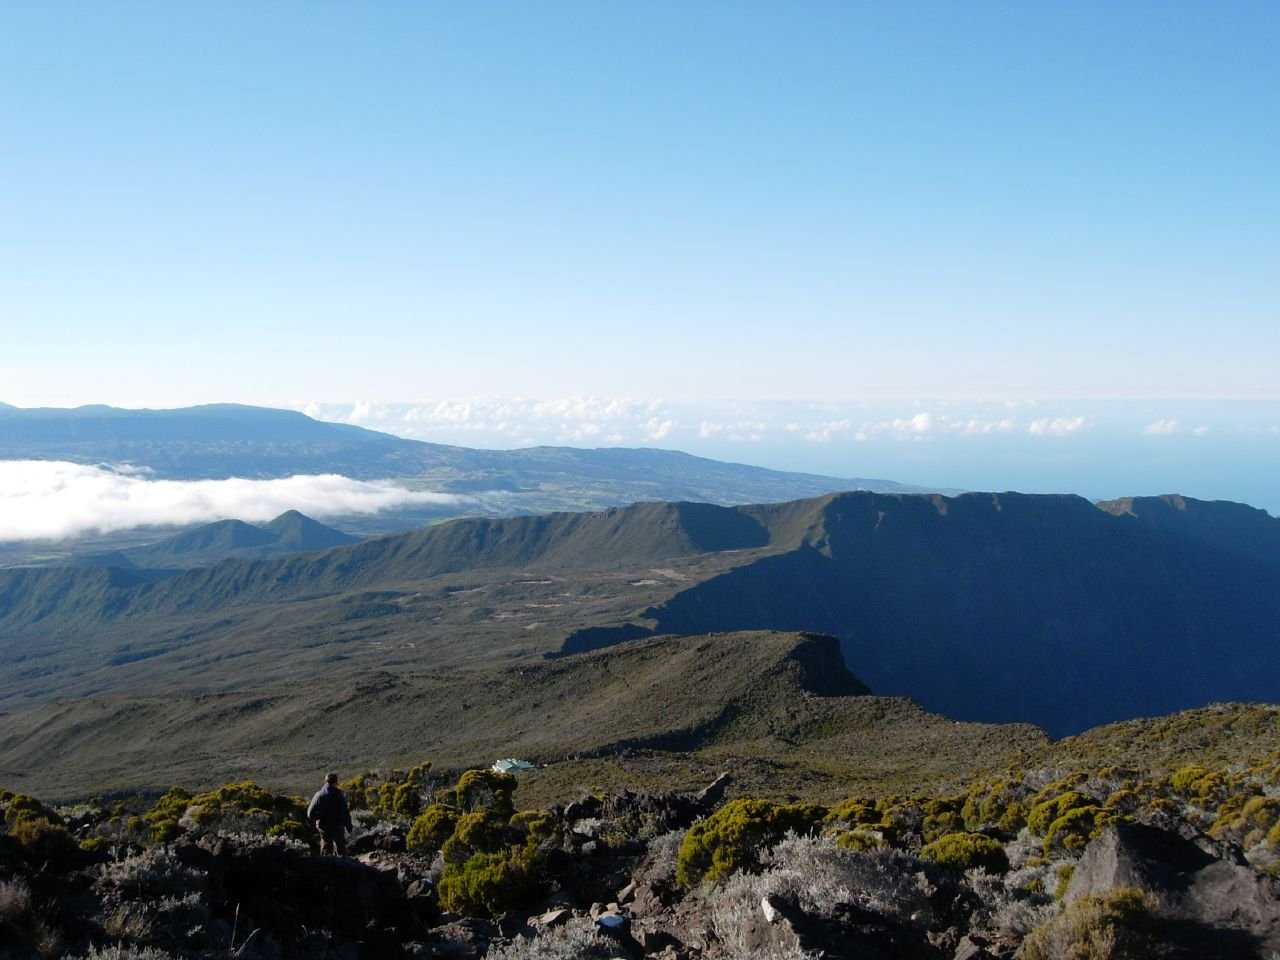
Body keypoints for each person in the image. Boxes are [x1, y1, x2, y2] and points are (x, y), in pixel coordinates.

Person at [307, 772, 353, 856]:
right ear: (336, 782)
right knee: (341, 849)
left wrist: (318, 819)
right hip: (338, 827)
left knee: (326, 850)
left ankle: (326, 867)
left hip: (324, 827)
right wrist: (348, 826)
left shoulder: (319, 795)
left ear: (325, 781)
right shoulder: (340, 795)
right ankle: (344, 867)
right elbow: (345, 812)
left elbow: (310, 813)